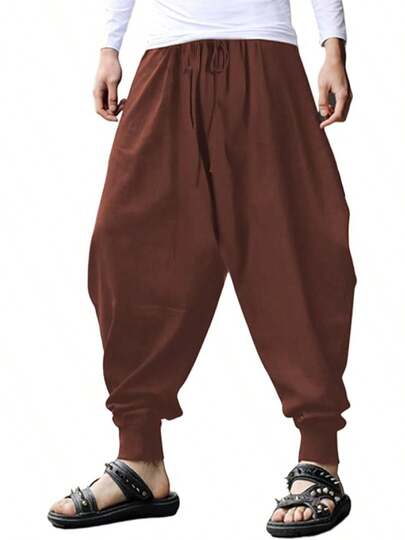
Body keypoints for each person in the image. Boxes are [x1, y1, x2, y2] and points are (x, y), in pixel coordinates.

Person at [48, 1, 355, 536]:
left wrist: (333, 48)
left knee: (294, 251)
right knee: (129, 247)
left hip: (266, 52)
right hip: (167, 56)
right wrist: (110, 45)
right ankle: (141, 459)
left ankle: (319, 455)